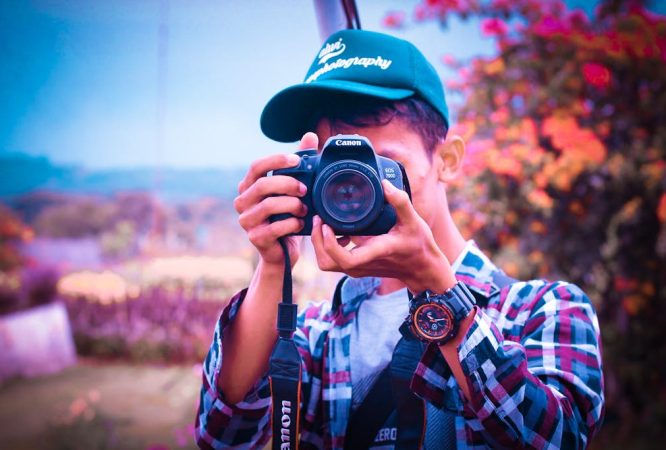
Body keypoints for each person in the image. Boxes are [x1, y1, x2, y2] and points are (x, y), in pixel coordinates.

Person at [195, 29, 604, 449]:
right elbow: (223, 438)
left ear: (447, 161)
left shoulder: (542, 309)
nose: (357, 186)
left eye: (383, 165)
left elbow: (561, 440)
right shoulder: (316, 333)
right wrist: (273, 262)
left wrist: (437, 291)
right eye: (335, 169)